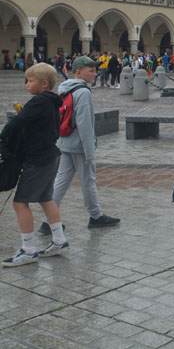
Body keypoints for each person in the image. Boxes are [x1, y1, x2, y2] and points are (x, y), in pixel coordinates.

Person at [1, 64, 67, 267]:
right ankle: (59, 240)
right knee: (45, 198)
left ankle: (28, 250)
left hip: (38, 159)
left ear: (44, 84)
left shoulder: (39, 101)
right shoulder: (50, 102)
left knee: (20, 203)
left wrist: (3, 136)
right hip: (50, 155)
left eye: (30, 81)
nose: (27, 84)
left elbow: (17, 123)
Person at [45, 56, 120, 233]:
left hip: (65, 141)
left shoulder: (65, 88)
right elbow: (85, 124)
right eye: (91, 70)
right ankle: (96, 216)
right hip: (79, 145)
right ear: (78, 72)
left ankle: (48, 220)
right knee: (88, 181)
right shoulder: (83, 92)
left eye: (95, 70)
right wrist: (90, 152)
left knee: (61, 181)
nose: (95, 73)